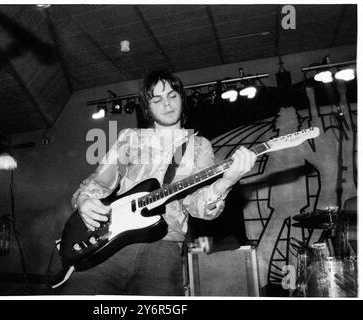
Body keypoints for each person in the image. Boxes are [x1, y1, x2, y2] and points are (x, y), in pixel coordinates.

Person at [59, 69, 257, 295]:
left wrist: (226, 183)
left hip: (165, 245)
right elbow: (101, 181)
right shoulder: (131, 137)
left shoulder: (200, 146)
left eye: (172, 95)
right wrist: (84, 199)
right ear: (147, 108)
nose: (167, 104)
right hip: (111, 242)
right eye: (157, 99)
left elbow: (196, 206)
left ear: (182, 99)